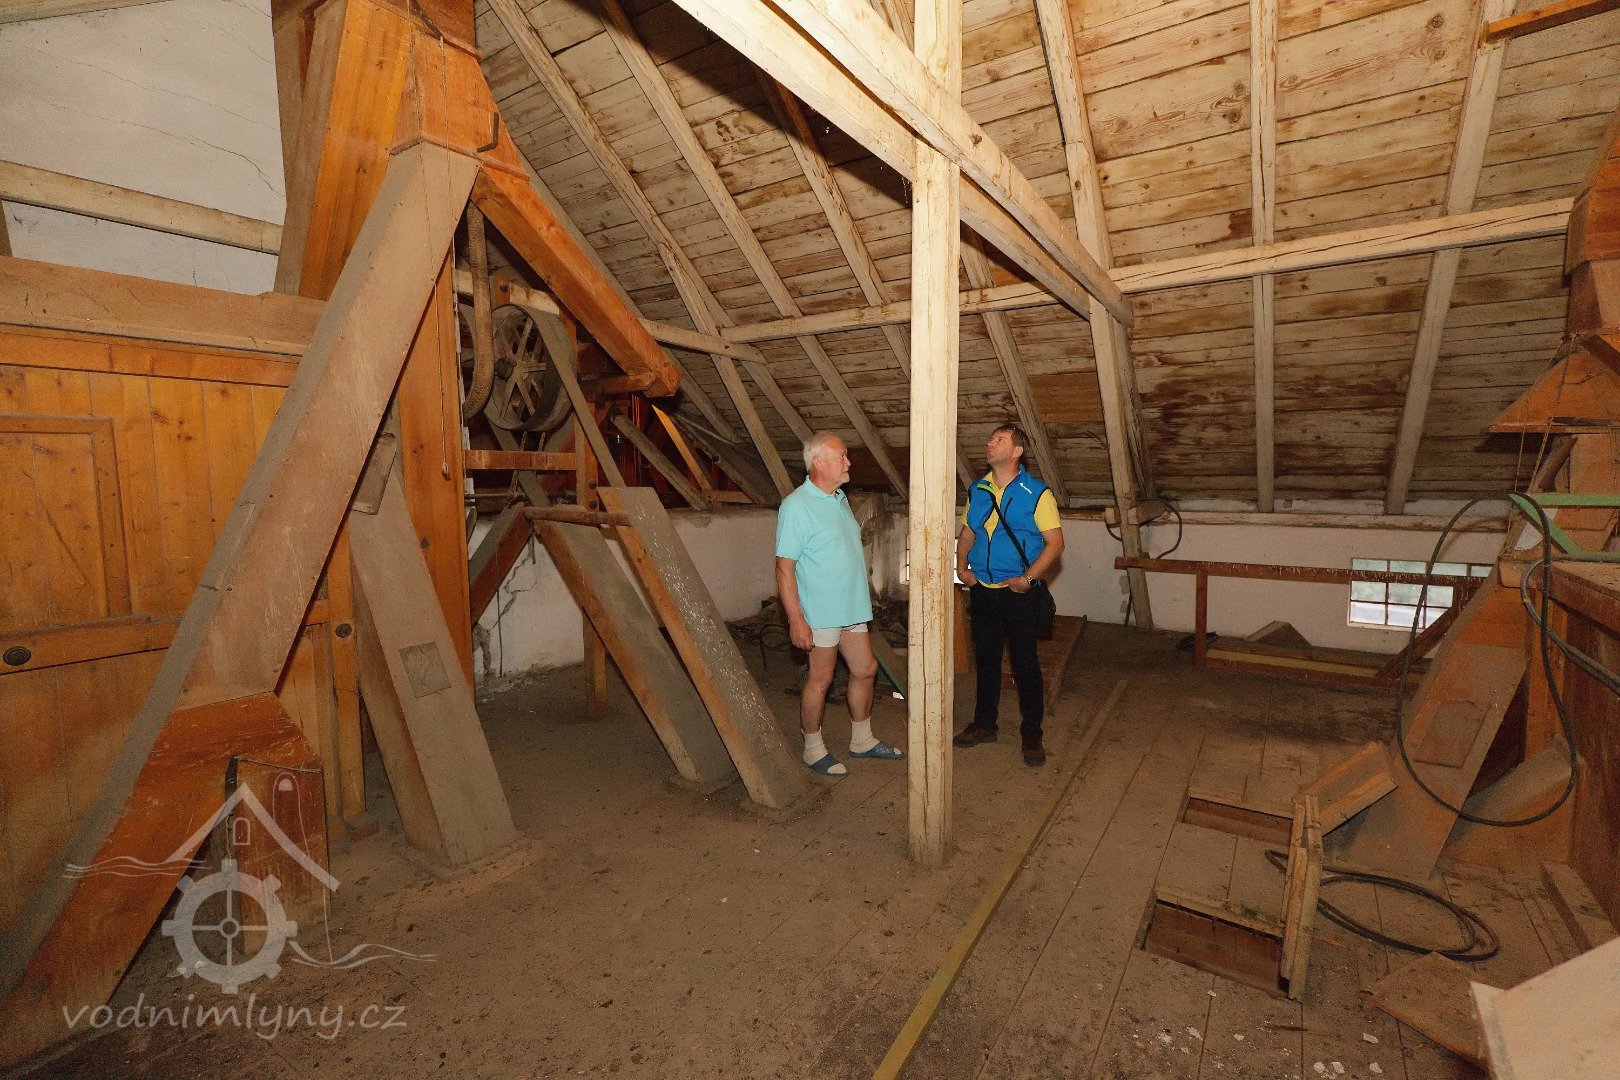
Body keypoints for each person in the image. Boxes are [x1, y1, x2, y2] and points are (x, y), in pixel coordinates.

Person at [775, 432, 905, 776]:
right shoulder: (796, 506)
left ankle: (862, 739)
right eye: (841, 456)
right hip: (821, 612)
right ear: (818, 463)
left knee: (865, 669)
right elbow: (784, 568)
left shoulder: (838, 498)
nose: (848, 462)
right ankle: (812, 748)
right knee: (821, 678)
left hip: (851, 607)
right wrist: (796, 620)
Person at [953, 423, 1065, 766]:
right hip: (983, 590)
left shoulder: (1037, 493)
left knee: (1024, 662)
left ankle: (1032, 733)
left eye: (999, 440)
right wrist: (961, 568)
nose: (990, 443)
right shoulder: (979, 489)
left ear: (1016, 451)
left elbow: (1056, 544)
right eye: (990, 438)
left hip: (1017, 593)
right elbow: (968, 532)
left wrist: (1028, 579)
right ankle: (985, 723)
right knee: (986, 659)